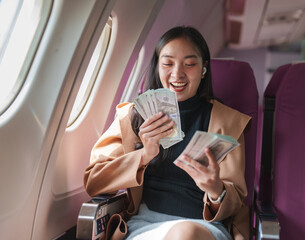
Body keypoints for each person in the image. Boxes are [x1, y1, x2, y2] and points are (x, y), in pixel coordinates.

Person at [83, 26, 251, 240]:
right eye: (168, 63)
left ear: (203, 69)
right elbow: (94, 182)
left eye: (189, 64)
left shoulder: (229, 122)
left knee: (184, 234)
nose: (177, 73)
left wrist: (216, 189)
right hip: (145, 224)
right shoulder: (132, 116)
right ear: (157, 66)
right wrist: (144, 155)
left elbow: (235, 203)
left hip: (202, 227)